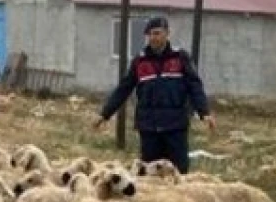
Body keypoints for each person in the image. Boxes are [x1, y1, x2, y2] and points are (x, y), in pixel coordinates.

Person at [93, 16, 216, 173]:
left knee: (178, 172)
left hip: (175, 127)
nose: (153, 38)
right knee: (149, 175)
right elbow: (124, 88)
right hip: (149, 128)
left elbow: (195, 86)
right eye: (150, 34)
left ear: (167, 34)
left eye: (157, 33)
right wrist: (105, 114)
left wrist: (204, 112)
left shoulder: (180, 58)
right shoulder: (140, 61)